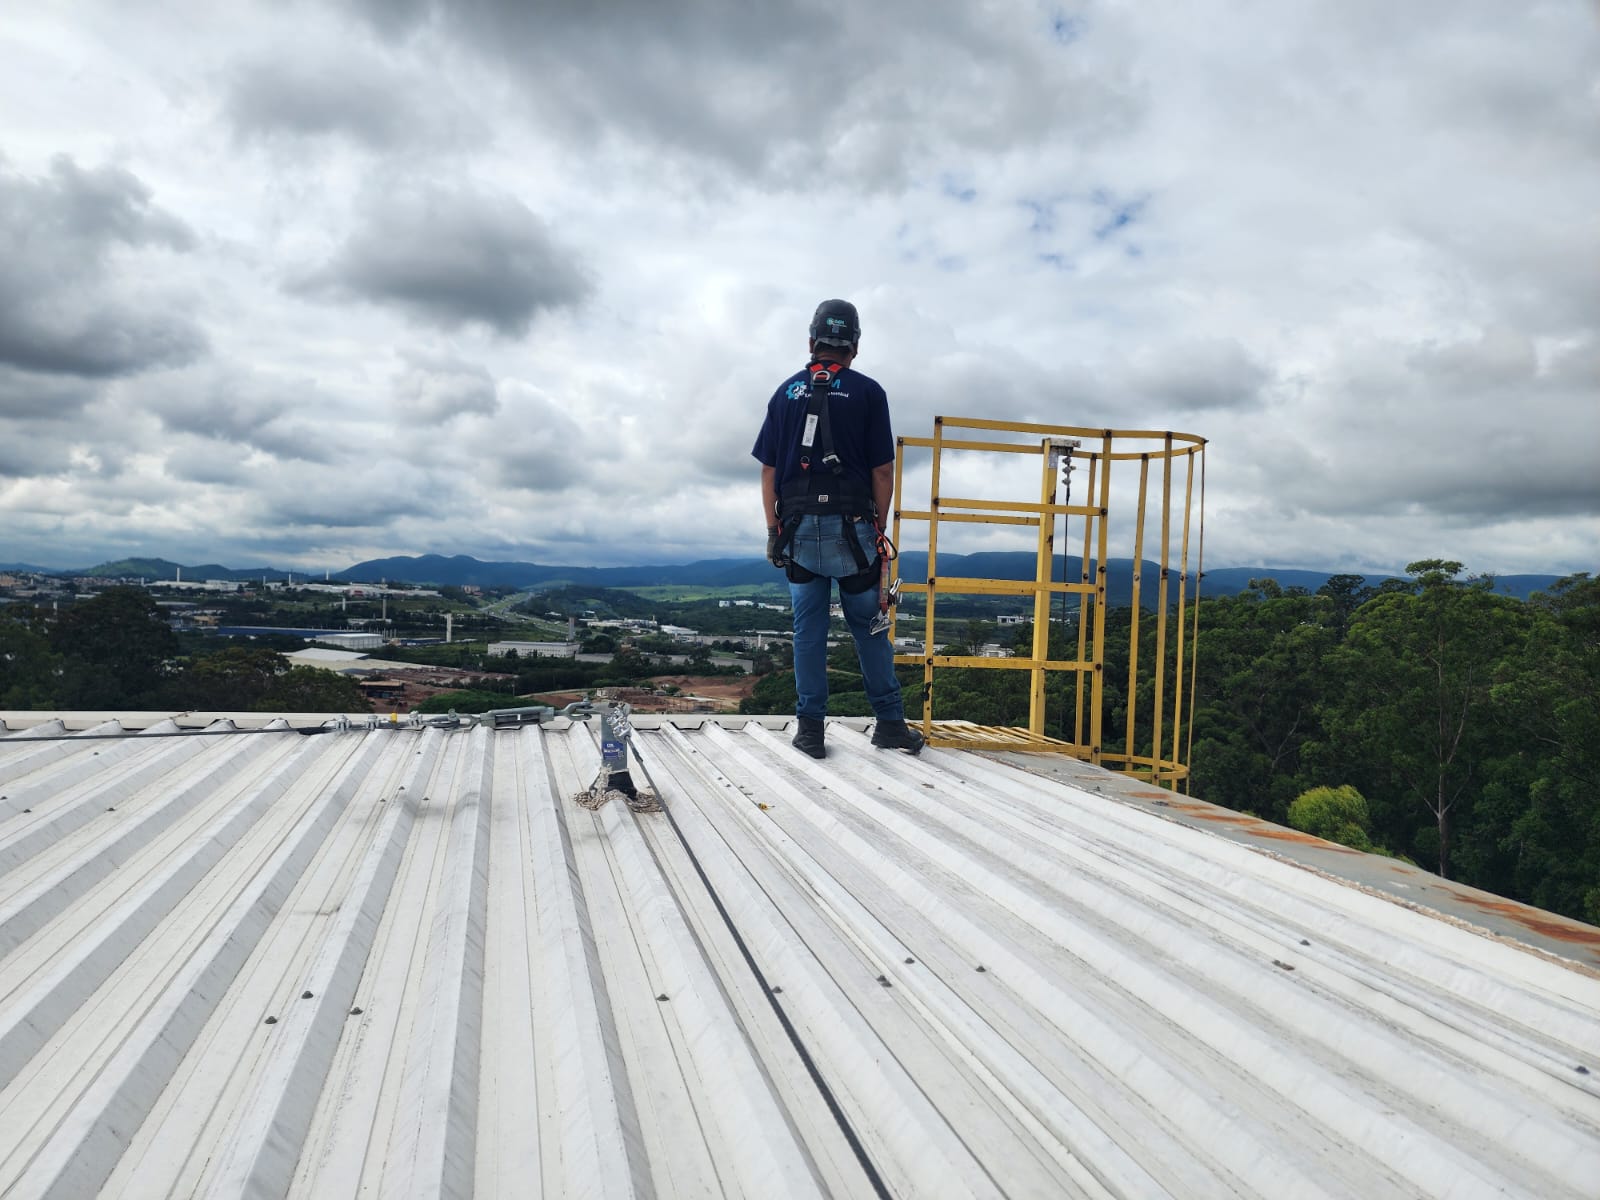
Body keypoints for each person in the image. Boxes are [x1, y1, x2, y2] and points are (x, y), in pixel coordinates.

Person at [751, 299, 924, 759]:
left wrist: (773, 530)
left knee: (809, 630)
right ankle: (889, 724)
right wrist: (877, 526)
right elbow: (882, 471)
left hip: (799, 532)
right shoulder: (868, 392)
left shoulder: (785, 393)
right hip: (854, 532)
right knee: (869, 628)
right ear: (856, 347)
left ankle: (810, 731)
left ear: (812, 343)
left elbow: (769, 471)